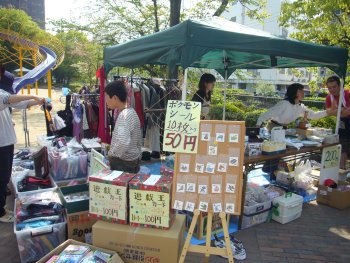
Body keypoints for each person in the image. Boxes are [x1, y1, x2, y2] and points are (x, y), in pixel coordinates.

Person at [0, 89, 45, 223]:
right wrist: (33, 96)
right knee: (2, 178)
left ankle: (1, 208)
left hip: (6, 141)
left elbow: (18, 103)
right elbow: (8, 99)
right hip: (1, 143)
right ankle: (0, 212)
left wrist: (35, 101)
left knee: (4, 177)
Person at [256, 83, 335, 130]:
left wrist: (327, 112)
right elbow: (266, 114)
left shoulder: (300, 107)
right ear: (294, 93)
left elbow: (313, 115)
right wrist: (257, 129)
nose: (303, 93)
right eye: (301, 91)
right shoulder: (284, 104)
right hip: (273, 128)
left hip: (284, 129)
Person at [105, 80, 142, 173]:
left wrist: (111, 155)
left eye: (106, 97)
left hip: (123, 163)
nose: (106, 101)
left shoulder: (124, 116)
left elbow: (122, 143)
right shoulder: (131, 112)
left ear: (114, 98)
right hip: (132, 160)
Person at [325, 75, 350, 169]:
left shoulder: (347, 93)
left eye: (334, 87)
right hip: (342, 123)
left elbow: (348, 112)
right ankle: (341, 168)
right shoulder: (329, 98)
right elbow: (329, 112)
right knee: (342, 145)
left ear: (340, 86)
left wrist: (336, 110)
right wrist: (343, 110)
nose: (332, 89)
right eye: (329, 87)